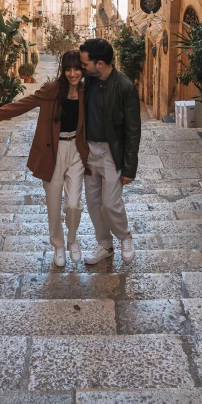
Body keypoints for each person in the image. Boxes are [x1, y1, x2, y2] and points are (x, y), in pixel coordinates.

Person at [0, 50, 88, 268]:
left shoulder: (88, 92)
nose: (73, 74)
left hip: (76, 151)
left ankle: (73, 240)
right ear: (63, 70)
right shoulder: (51, 91)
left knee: (74, 205)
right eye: (68, 69)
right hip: (52, 153)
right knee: (53, 205)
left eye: (77, 69)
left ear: (83, 69)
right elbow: (20, 106)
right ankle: (58, 245)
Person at [79, 37, 141, 265]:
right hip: (88, 152)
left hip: (111, 154)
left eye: (86, 63)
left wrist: (130, 168)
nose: (82, 67)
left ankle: (125, 237)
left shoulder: (125, 87)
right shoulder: (87, 83)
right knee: (94, 204)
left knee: (111, 204)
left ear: (100, 63)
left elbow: (133, 130)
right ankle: (104, 244)